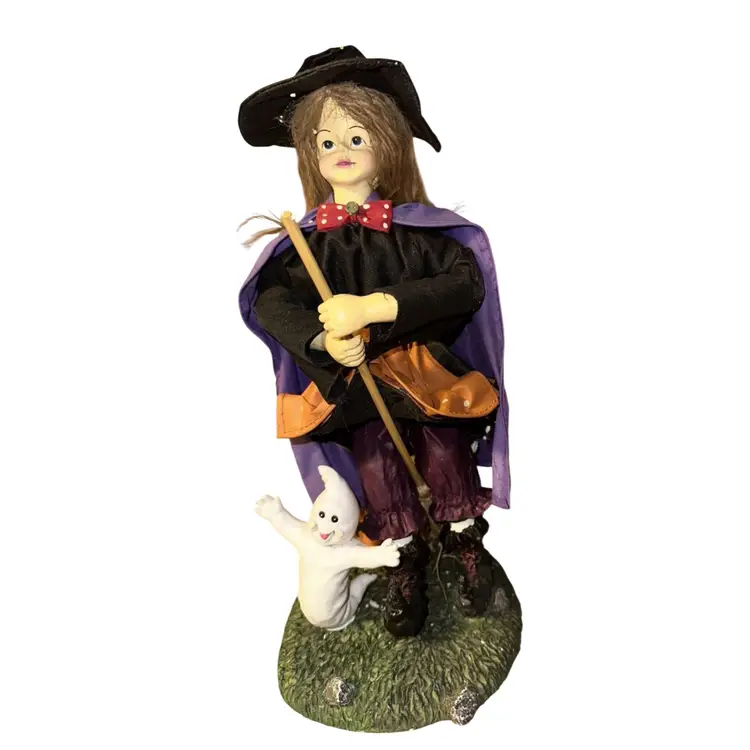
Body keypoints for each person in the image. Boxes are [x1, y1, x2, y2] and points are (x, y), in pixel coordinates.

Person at [238, 46, 511, 637]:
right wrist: (321, 340)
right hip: (356, 386)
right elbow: (270, 302)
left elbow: (462, 282)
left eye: (356, 138)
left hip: (422, 374)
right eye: (325, 141)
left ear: (386, 145)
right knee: (377, 465)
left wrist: (375, 307)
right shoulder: (307, 245)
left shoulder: (416, 232)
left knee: (442, 450)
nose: (340, 151)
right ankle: (403, 562)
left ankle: (464, 545)